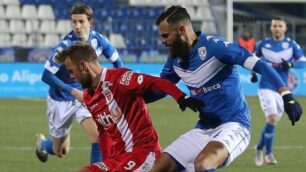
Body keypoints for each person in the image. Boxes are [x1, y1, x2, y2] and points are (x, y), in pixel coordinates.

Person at [145, 6, 302, 172]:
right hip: (204, 128)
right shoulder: (174, 59)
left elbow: (261, 65)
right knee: (158, 169)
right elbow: (161, 88)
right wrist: (128, 95)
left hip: (235, 124)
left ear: (182, 30)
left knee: (203, 164)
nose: (163, 41)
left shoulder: (217, 47)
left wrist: (286, 95)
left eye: (165, 36)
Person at [56, 43, 204, 172]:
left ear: (83, 66)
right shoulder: (88, 96)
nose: (71, 77)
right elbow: (103, 132)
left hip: (144, 152)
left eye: (71, 71)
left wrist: (180, 96)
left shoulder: (120, 79)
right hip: (119, 158)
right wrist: (107, 162)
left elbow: (156, 82)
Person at [35, 3, 124, 163]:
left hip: (86, 95)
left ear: (90, 23)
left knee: (98, 136)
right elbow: (46, 76)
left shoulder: (98, 40)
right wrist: (74, 93)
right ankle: (43, 144)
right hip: (61, 99)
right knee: (60, 151)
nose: (77, 26)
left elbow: (117, 62)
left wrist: (119, 85)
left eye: (81, 21)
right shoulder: (64, 47)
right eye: (74, 22)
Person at [250, 17, 306, 166]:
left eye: (280, 26)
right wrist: (253, 74)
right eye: (274, 25)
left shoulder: (291, 44)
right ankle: (268, 155)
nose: (277, 28)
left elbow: (302, 61)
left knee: (272, 122)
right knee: (273, 118)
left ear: (285, 28)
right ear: (271, 28)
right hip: (266, 86)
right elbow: (252, 61)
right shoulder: (262, 44)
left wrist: (290, 63)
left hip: (283, 89)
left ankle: (259, 148)